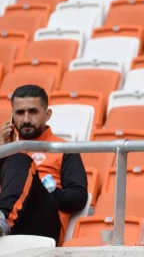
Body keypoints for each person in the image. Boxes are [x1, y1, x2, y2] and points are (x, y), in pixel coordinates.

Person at [0, 85, 88, 245]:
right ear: (12, 116)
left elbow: (79, 197)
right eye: (20, 113)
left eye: (33, 112)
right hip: (13, 222)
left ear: (47, 114)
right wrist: (3, 153)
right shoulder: (7, 150)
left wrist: (45, 190)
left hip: (43, 224)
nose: (26, 119)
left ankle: (2, 220)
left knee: (20, 158)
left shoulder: (63, 149)